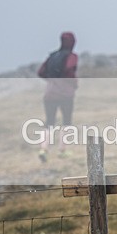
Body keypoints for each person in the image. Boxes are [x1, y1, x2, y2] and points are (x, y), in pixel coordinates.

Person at [37, 31, 78, 162]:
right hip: (65, 94)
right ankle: (62, 150)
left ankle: (43, 149)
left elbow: (41, 72)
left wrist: (52, 80)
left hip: (50, 93)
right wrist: (73, 83)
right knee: (66, 121)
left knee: (49, 121)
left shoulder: (52, 56)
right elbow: (69, 70)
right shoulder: (72, 56)